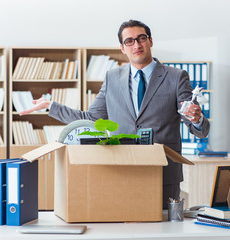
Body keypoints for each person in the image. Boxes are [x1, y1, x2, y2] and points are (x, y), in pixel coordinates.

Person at [20, 19, 210, 209]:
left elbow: (198, 128)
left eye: (141, 38)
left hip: (163, 172)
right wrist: (51, 106)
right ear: (122, 48)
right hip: (122, 170)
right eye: (129, 41)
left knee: (163, 231)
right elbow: (91, 119)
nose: (136, 44)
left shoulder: (176, 76)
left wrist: (197, 119)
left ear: (150, 41)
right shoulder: (112, 78)